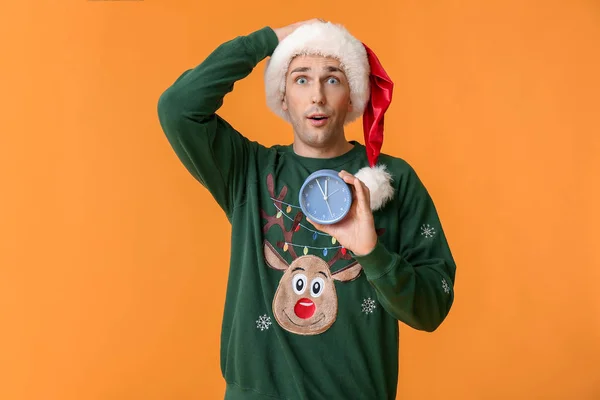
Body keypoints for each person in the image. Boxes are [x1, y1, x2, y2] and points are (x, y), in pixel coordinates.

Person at [157, 18, 456, 400]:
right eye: (300, 78)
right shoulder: (248, 171)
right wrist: (265, 41)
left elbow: (431, 308)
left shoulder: (390, 179)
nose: (317, 95)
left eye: (332, 79)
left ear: (353, 96)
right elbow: (178, 107)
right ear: (282, 97)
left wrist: (372, 255)